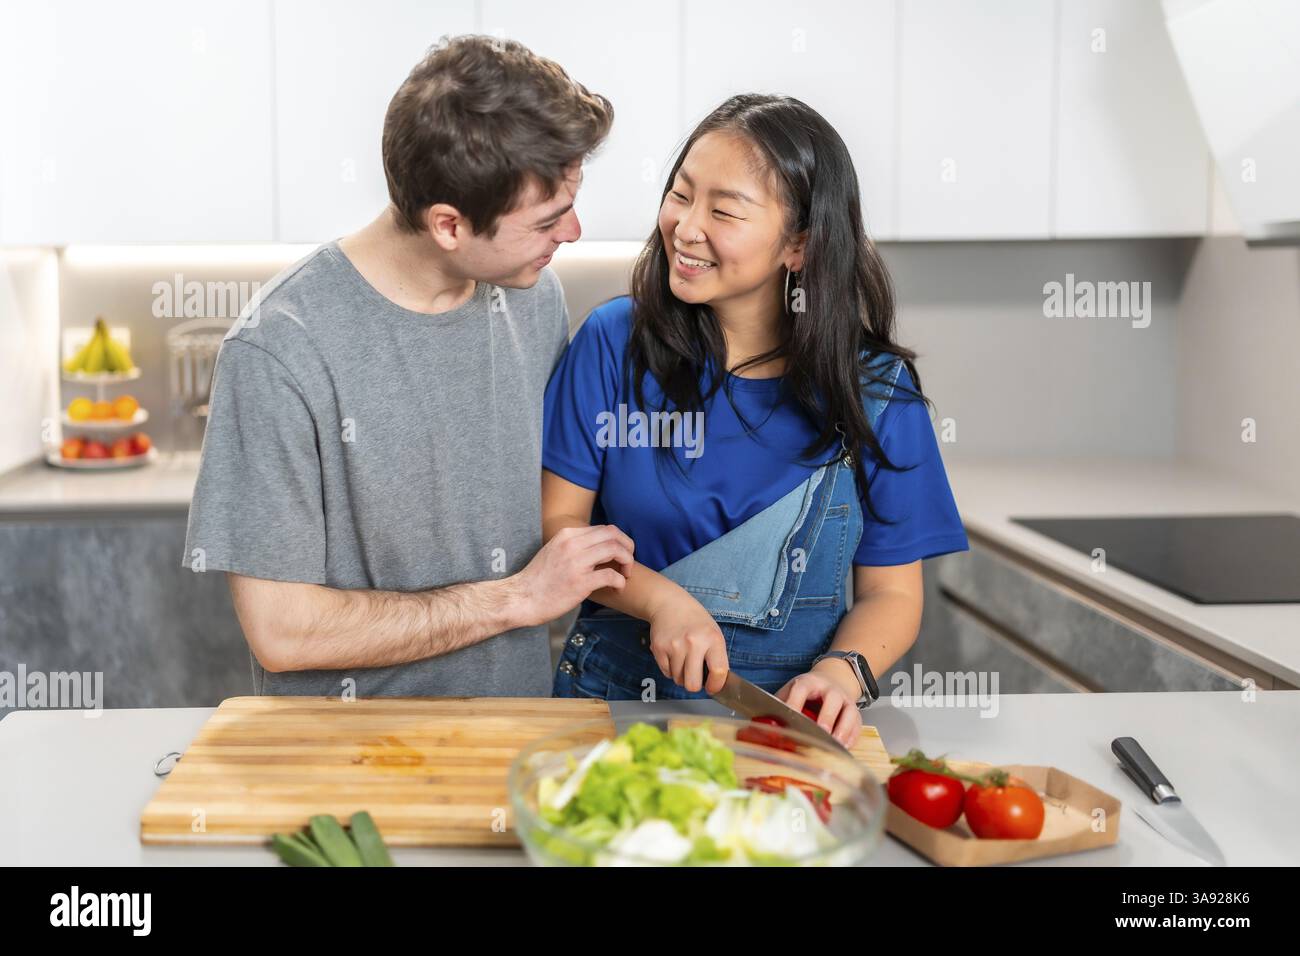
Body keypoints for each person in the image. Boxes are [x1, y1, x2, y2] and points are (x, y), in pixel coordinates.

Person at [183, 35, 630, 698]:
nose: (572, 234)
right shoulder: (279, 348)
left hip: (513, 747)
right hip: (361, 766)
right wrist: (514, 599)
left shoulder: (532, 299)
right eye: (548, 219)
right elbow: (283, 632)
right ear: (449, 226)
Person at [542, 94, 969, 746]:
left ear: (798, 245)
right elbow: (560, 528)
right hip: (608, 710)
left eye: (724, 210)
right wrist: (663, 601)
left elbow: (893, 595)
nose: (685, 226)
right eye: (681, 195)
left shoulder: (877, 393)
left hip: (781, 731)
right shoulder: (612, 343)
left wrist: (841, 672)